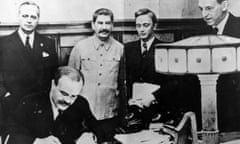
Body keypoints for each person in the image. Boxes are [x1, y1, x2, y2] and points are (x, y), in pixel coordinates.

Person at [125, 8, 201, 129]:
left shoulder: (166, 49)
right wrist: (129, 99)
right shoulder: (128, 49)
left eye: (146, 25)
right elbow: (125, 79)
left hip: (158, 107)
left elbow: (174, 83)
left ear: (154, 26)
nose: (142, 29)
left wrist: (153, 97)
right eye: (138, 25)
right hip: (134, 107)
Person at [6, 66, 115, 144]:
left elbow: (98, 128)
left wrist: (91, 136)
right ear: (53, 85)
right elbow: (10, 136)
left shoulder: (80, 103)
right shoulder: (30, 103)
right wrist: (36, 141)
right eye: (64, 93)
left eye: (73, 96)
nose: (68, 101)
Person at [0, 1, 58, 120]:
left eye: (33, 17)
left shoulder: (48, 43)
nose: (29, 20)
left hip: (40, 105)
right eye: (25, 16)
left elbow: (54, 75)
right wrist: (5, 94)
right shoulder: (3, 43)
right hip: (13, 104)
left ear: (38, 19)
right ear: (18, 17)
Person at [68, 8, 126, 125]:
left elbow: (122, 83)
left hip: (109, 112)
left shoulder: (120, 49)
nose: (104, 27)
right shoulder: (80, 47)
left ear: (112, 25)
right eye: (100, 23)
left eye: (107, 23)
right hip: (84, 112)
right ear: (93, 25)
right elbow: (70, 81)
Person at [198, 0, 240, 132]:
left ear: (225, 5)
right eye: (202, 9)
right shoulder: (202, 31)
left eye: (209, 8)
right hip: (212, 107)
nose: (204, 14)